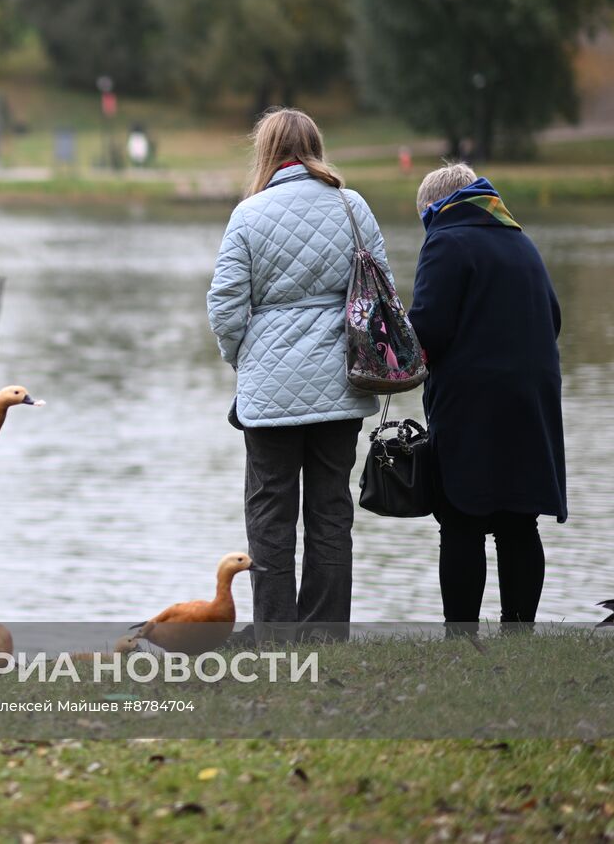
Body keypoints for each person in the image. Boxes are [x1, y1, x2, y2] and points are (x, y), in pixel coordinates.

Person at [207, 107, 394, 633]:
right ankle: (326, 631)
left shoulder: (249, 214)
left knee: (270, 513)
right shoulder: (353, 206)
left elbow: (223, 307)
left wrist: (244, 357)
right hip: (342, 381)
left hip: (269, 393)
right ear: (315, 147)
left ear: (266, 151)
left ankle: (274, 631)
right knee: (331, 511)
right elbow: (382, 294)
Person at [407, 164, 566, 628]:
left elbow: (429, 331)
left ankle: (462, 637)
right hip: (531, 399)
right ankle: (519, 631)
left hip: (472, 402)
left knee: (461, 521)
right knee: (520, 520)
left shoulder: (445, 239)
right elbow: (553, 318)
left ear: (435, 208)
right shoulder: (520, 239)